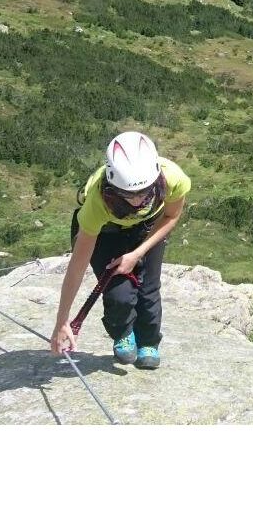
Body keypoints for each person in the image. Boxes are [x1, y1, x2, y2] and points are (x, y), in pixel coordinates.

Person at [50, 131, 190, 369]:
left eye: (144, 192)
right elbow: (77, 266)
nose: (136, 201)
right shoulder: (97, 200)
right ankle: (123, 332)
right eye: (126, 194)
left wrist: (137, 254)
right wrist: (62, 321)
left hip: (148, 226)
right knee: (118, 292)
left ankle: (148, 341)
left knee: (148, 288)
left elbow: (171, 215)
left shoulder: (173, 179)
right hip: (107, 231)